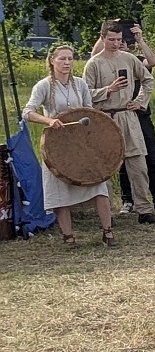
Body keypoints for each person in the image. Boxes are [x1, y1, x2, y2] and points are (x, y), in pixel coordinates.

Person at [23, 45, 117, 248]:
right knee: (59, 192)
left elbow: (88, 111)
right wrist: (48, 121)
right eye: (62, 59)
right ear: (52, 61)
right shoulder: (44, 86)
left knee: (99, 185)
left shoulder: (80, 84)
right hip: (56, 146)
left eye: (70, 59)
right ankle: (68, 236)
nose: (67, 63)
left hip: (82, 144)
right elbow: (28, 112)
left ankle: (108, 232)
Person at [84, 20, 155, 223]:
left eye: (118, 40)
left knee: (138, 163)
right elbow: (85, 95)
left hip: (128, 115)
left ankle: (144, 209)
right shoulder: (94, 64)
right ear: (102, 39)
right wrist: (108, 89)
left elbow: (148, 79)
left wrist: (140, 102)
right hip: (105, 118)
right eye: (111, 39)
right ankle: (107, 212)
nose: (115, 43)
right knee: (106, 166)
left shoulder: (128, 58)